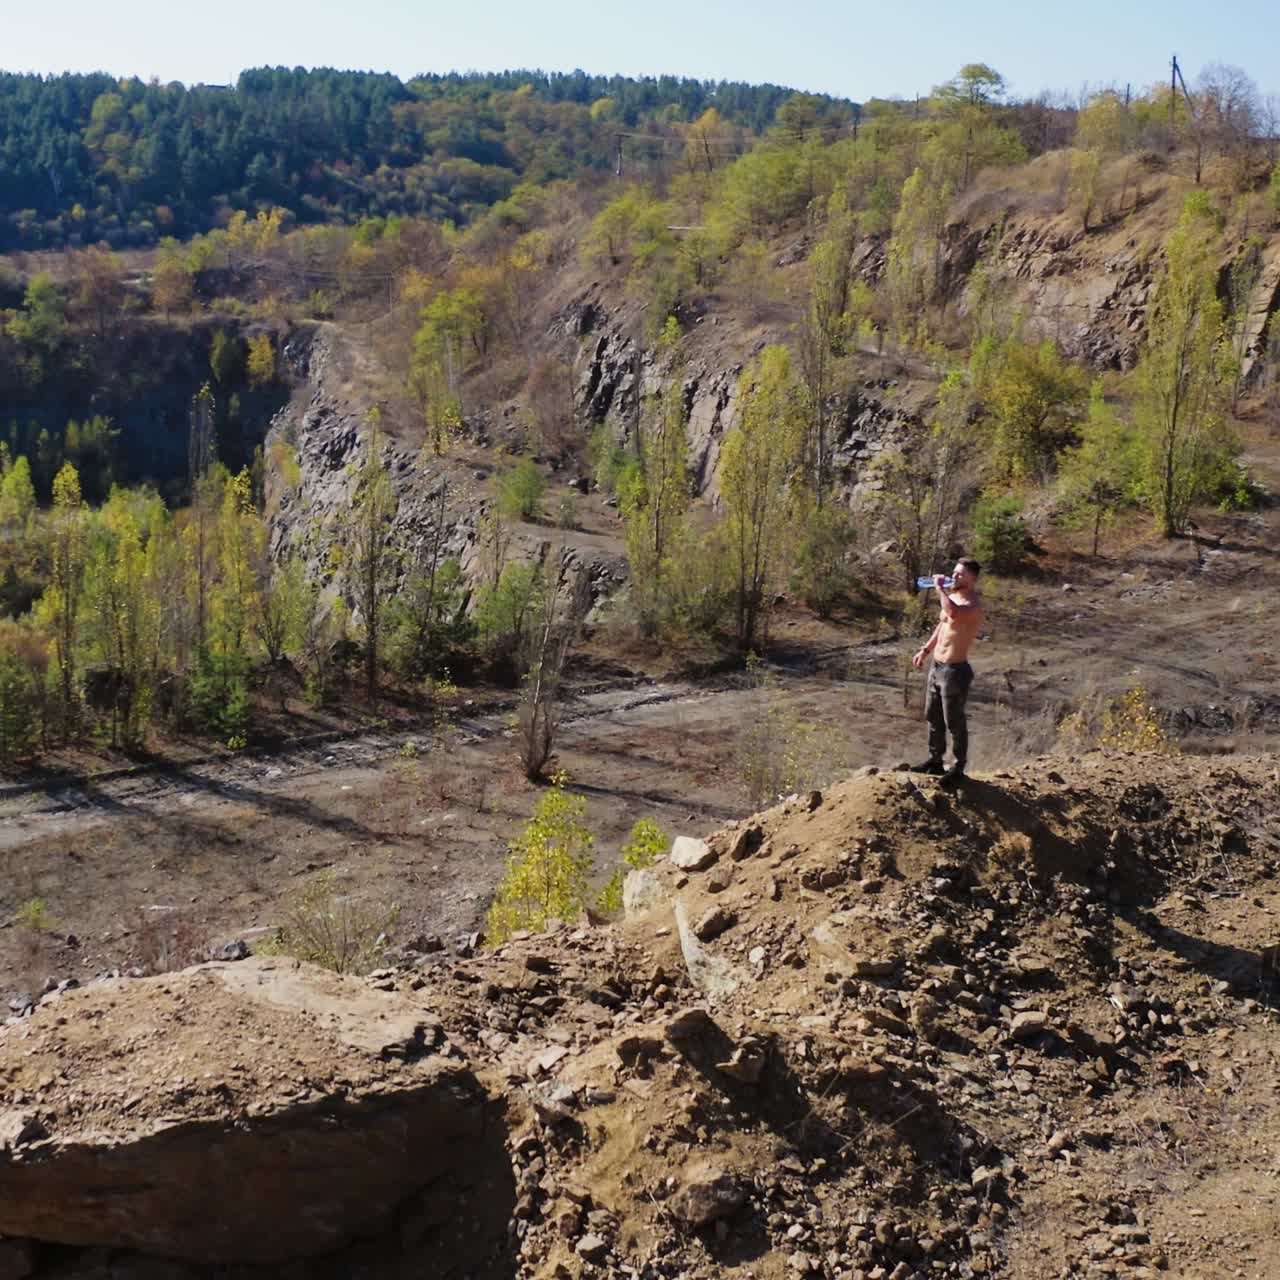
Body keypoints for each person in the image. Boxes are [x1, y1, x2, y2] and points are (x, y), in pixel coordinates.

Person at [911, 559, 984, 789]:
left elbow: (952, 613)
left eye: (961, 574)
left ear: (972, 578)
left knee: (954, 721)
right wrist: (925, 650)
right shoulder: (952, 598)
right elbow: (943, 626)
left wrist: (939, 588)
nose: (955, 577)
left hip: (955, 671)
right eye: (955, 572)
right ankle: (935, 760)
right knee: (932, 716)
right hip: (937, 666)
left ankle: (958, 767)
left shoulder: (972, 605)